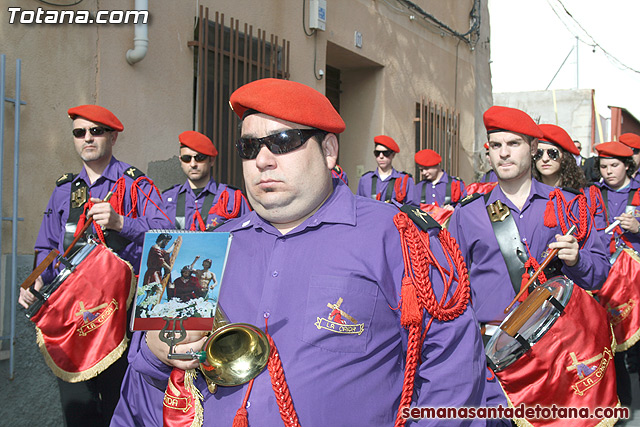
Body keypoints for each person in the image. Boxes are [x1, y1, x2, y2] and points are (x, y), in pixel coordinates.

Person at [113, 78, 495, 426]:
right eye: (249, 147)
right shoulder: (193, 250)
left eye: (282, 142)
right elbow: (140, 399)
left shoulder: (400, 236)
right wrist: (153, 355)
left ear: (328, 150)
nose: (262, 160)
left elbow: (454, 376)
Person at [18, 105, 171, 426]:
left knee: (119, 406)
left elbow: (167, 234)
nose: (87, 138)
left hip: (120, 311)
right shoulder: (65, 190)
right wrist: (33, 281)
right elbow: (47, 246)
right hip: (72, 314)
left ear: (113, 137)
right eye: (79, 133)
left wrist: (122, 222)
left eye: (96, 131)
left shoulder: (134, 184)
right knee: (77, 408)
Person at [449, 105, 610, 328]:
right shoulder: (468, 213)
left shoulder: (567, 205)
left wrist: (577, 260)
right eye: (496, 145)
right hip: (493, 348)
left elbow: (599, 275)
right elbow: (450, 288)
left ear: (533, 147)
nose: (503, 153)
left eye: (513, 143)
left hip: (558, 342)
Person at [162, 131, 250, 231]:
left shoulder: (232, 198)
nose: (193, 164)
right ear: (180, 161)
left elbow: (247, 235)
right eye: (186, 158)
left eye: (199, 158)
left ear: (211, 160)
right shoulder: (167, 198)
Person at [593, 141, 640, 253]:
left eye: (614, 166)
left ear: (627, 165)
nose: (609, 172)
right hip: (602, 262)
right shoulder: (592, 193)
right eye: (603, 167)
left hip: (633, 265)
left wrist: (638, 228)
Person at [357, 135, 416, 204]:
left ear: (393, 155)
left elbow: (412, 207)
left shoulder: (405, 180)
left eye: (386, 153)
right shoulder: (365, 179)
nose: (381, 156)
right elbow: (359, 204)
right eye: (377, 153)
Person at [532, 124, 587, 190]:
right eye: (539, 153)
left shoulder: (585, 194)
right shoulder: (523, 194)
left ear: (564, 156)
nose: (545, 159)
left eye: (553, 153)